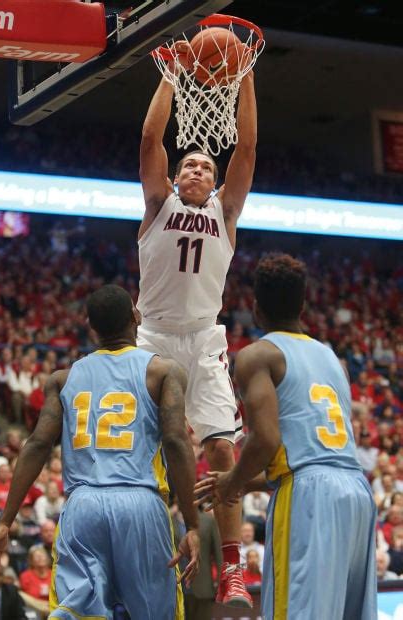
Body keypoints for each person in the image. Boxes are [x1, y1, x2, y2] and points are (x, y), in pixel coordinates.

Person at [0, 284, 200, 619]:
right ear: (135, 317)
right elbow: (176, 441)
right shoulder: (163, 371)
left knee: (79, 604)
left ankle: (76, 609)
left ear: (90, 326)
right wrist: (193, 524)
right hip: (139, 502)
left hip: (83, 505)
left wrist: (6, 521)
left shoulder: (62, 379)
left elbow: (37, 444)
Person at [137, 50, 257, 607]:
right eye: (189, 164)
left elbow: (248, 148)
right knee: (141, 448)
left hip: (205, 337)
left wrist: (245, 78)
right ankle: (147, 543)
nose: (197, 169)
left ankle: (232, 567)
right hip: (154, 336)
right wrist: (169, 75)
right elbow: (148, 139)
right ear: (175, 174)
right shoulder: (158, 203)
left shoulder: (224, 214)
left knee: (223, 452)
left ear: (213, 181)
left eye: (206, 166)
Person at [195, 254, 378, 620]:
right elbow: (317, 456)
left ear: (256, 309)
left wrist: (233, 481)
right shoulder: (332, 359)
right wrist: (249, 486)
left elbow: (265, 438)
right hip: (356, 492)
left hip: (310, 495)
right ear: (304, 305)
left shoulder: (255, 355)